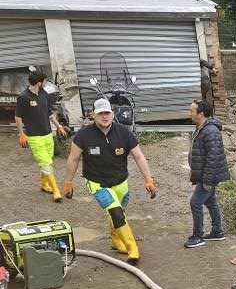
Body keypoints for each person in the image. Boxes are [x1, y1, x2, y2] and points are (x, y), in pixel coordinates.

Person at [63, 98, 156, 264]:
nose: (104, 117)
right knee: (116, 212)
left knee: (119, 213)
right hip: (97, 183)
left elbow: (139, 156)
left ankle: (115, 240)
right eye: (100, 113)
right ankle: (132, 248)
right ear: (93, 115)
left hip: (121, 182)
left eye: (107, 113)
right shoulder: (83, 136)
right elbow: (73, 159)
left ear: (113, 114)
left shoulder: (124, 133)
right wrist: (68, 182)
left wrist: (148, 179)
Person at [15, 70, 68, 201]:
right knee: (45, 163)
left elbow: (49, 113)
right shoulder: (24, 97)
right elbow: (18, 117)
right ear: (39, 82)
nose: (45, 83)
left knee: (49, 160)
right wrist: (21, 134)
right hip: (34, 137)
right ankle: (56, 191)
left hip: (47, 134)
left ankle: (44, 185)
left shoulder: (43, 94)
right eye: (44, 81)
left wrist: (59, 126)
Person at [185, 99, 229, 248]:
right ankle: (217, 231)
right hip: (205, 174)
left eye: (192, 111)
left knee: (195, 203)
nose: (189, 113)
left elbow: (213, 157)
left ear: (201, 114)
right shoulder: (202, 127)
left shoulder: (210, 131)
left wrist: (207, 180)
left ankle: (198, 236)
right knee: (210, 201)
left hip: (209, 176)